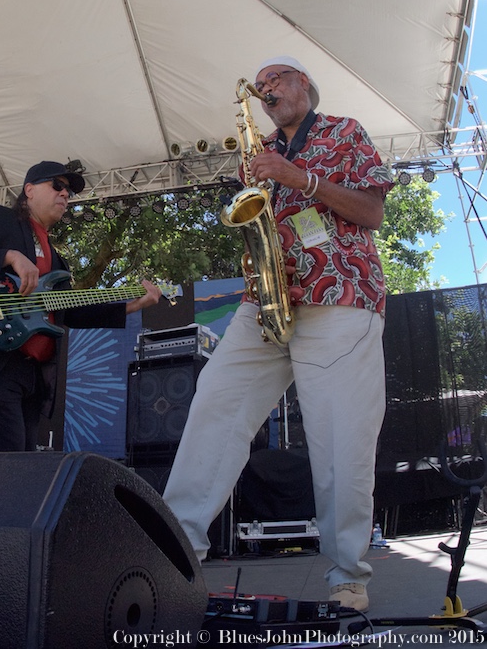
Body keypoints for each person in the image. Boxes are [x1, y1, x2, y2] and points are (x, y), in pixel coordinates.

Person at [162, 56, 393, 613]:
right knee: (215, 403)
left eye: (278, 79)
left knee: (340, 439)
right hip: (268, 299)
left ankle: (346, 576)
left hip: (340, 296)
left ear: (305, 86)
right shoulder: (256, 155)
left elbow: (372, 211)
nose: (268, 89)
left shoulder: (344, 132)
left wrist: (302, 178)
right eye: (261, 85)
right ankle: (173, 551)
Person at [0, 160, 163, 452]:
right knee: (4, 473)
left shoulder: (57, 261)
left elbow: (68, 310)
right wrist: (9, 256)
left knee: (26, 472)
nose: (65, 194)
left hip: (30, 375)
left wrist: (131, 305)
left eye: (69, 190)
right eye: (57, 185)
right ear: (29, 190)